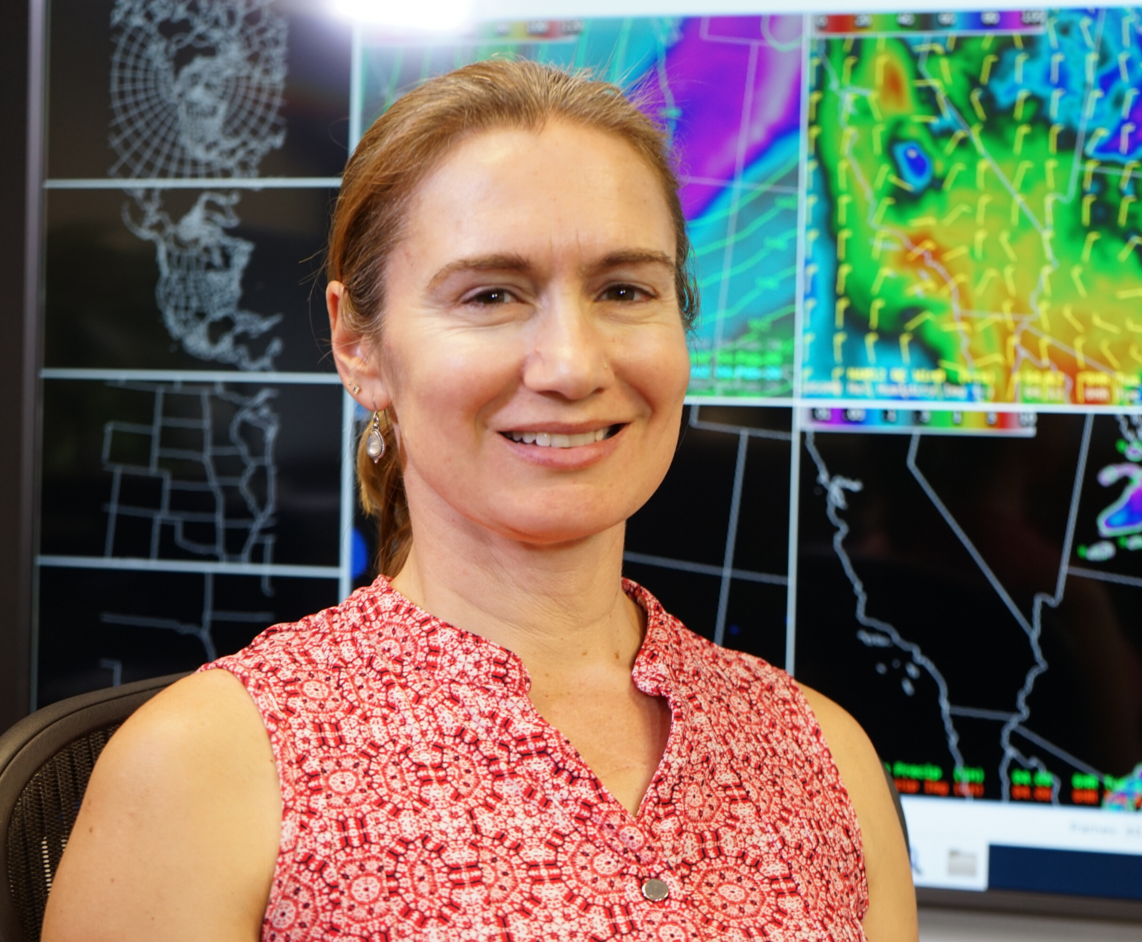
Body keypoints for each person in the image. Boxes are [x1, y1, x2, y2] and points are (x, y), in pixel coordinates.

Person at [43, 60, 917, 942]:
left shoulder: (822, 756)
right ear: (359, 346)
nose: (573, 366)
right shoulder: (205, 767)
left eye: (624, 290)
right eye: (491, 295)